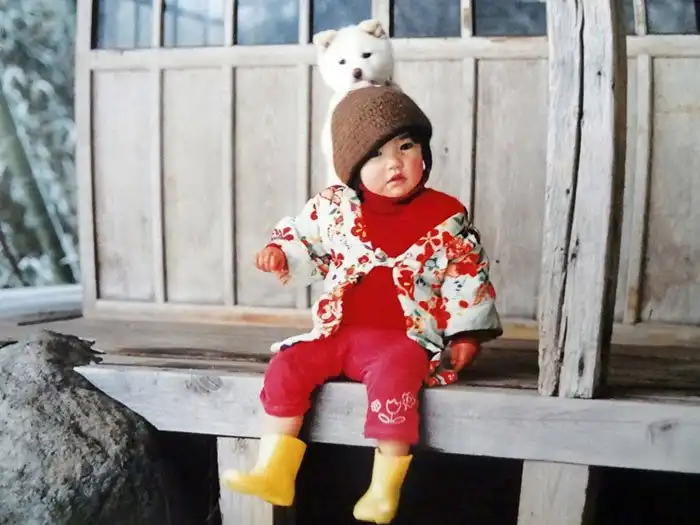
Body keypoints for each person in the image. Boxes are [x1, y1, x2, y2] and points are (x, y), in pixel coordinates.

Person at [222, 85, 502, 524]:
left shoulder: (445, 216)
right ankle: (274, 469)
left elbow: (466, 275)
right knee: (288, 366)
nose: (394, 163)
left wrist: (467, 333)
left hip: (401, 338)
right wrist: (281, 252)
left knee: (396, 379)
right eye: (376, 155)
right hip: (338, 331)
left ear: (424, 152)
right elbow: (304, 239)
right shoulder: (335, 209)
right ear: (352, 169)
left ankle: (383, 489)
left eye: (406, 147)